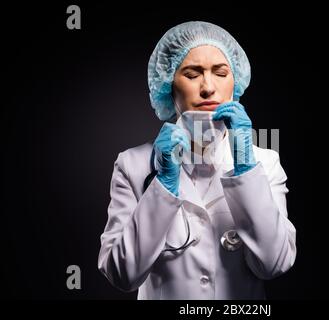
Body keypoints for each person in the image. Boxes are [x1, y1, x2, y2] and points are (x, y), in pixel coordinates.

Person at [98, 21, 297, 300]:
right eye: (192, 74)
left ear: (235, 83)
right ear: (168, 86)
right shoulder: (133, 165)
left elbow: (274, 264)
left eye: (220, 72)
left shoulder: (265, 162)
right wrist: (164, 186)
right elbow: (122, 274)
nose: (208, 87)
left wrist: (245, 168)